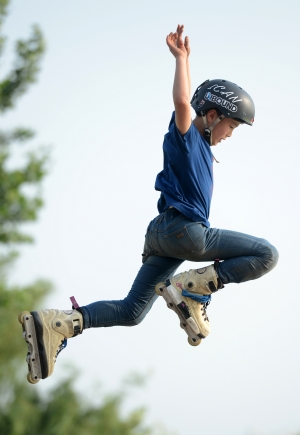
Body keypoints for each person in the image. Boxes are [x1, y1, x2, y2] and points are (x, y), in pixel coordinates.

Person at [18, 25, 279, 383]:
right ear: (214, 116)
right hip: (186, 232)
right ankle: (194, 288)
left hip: (163, 236)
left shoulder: (201, 149)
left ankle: (60, 324)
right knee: (266, 254)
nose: (230, 136)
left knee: (132, 311)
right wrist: (182, 60)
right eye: (232, 126)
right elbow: (183, 103)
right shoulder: (188, 138)